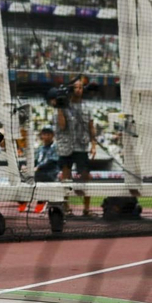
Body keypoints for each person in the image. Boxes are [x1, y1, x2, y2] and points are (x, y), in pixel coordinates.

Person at [55, 75, 98, 217]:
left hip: (82, 146)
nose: (79, 90)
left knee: (86, 176)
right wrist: (60, 107)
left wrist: (94, 144)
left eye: (80, 87)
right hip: (66, 147)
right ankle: (66, 207)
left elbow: (91, 127)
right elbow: (61, 126)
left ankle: (87, 208)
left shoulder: (87, 107)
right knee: (66, 177)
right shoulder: (63, 106)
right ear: (70, 90)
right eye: (76, 88)